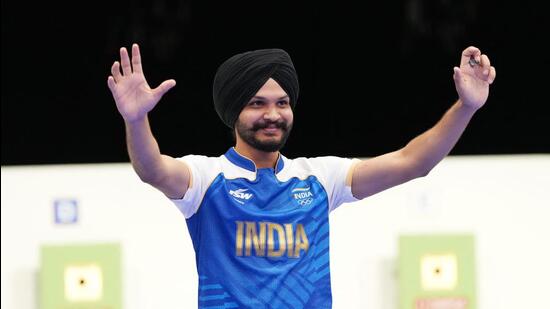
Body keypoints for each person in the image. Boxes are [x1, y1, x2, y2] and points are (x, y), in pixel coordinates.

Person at [107, 44, 495, 308]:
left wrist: (466, 107)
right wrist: (136, 118)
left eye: (282, 103)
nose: (272, 114)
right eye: (257, 104)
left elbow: (414, 162)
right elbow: (151, 168)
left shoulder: (319, 177)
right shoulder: (206, 177)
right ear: (233, 112)